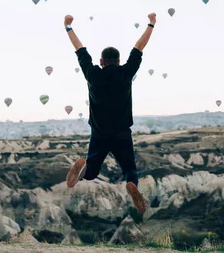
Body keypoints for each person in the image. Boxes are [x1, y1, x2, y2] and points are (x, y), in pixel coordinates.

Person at [64, 13, 156, 214]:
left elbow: (80, 50)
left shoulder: (93, 74)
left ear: (101, 61)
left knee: (92, 171)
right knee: (130, 169)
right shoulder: (126, 73)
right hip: (122, 132)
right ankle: (131, 184)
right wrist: (151, 24)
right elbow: (139, 47)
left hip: (99, 133)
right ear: (119, 61)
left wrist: (68, 27)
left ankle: (82, 170)